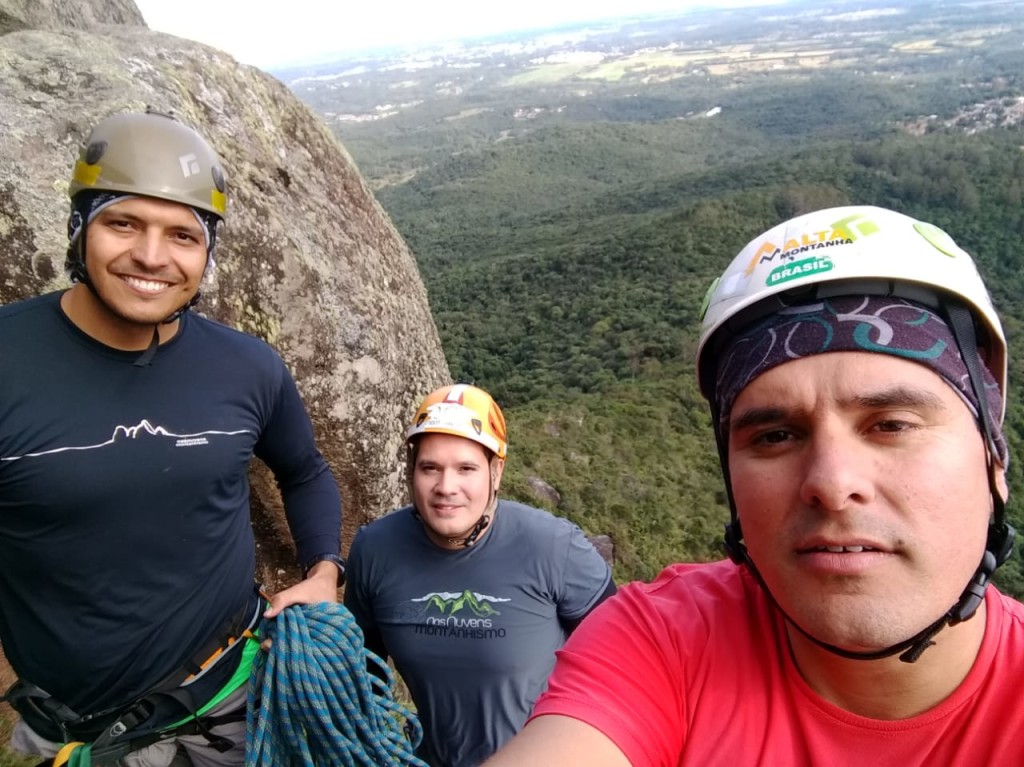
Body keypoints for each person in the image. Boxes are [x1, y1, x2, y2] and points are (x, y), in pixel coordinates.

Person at [484, 205, 1024, 766]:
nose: (832, 482)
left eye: (891, 425)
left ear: (994, 460)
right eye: (775, 436)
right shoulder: (663, 639)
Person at [0, 108, 344, 767]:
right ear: (79, 228)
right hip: (80, 732)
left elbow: (304, 471)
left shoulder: (247, 367)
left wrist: (325, 571)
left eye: (183, 234)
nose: (152, 256)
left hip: (238, 697)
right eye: (123, 223)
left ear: (206, 252)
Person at [343, 383, 615, 766]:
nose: (446, 487)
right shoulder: (375, 549)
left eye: (466, 468)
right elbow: (364, 674)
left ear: (496, 472)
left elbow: (618, 662)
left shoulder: (554, 547)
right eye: (430, 468)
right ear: (411, 471)